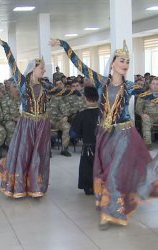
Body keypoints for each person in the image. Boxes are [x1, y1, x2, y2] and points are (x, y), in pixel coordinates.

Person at [51, 38, 158, 230]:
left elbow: (150, 95)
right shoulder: (101, 82)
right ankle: (112, 205)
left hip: (124, 135)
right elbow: (80, 65)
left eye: (127, 62)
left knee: (115, 171)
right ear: (113, 63)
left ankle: (113, 212)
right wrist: (64, 45)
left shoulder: (130, 86)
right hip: (105, 135)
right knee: (107, 172)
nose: (125, 65)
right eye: (122, 61)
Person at [0, 37, 79, 198]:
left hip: (42, 123)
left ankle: (36, 185)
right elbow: (12, 64)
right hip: (27, 123)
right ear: (33, 68)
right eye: (41, 68)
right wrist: (5, 46)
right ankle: (19, 186)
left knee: (39, 154)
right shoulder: (22, 82)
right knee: (24, 153)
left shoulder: (45, 84)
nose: (44, 71)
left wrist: (75, 91)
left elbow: (59, 92)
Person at [71, 87, 99, 195]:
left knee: (87, 167)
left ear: (86, 98)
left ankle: (89, 187)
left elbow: (74, 133)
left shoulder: (82, 114)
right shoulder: (104, 114)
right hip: (103, 146)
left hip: (88, 146)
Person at [136, 77, 158, 148]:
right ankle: (147, 144)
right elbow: (138, 108)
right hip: (149, 116)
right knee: (146, 121)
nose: (155, 86)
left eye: (157, 84)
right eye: (153, 84)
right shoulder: (144, 95)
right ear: (150, 85)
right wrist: (142, 114)